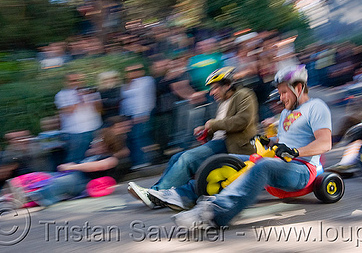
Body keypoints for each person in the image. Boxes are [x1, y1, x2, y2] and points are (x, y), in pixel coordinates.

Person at [169, 64, 332, 228]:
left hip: (302, 169)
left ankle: (215, 214)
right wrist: (269, 141)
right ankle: (184, 195)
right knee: (230, 161)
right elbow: (285, 140)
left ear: (298, 88)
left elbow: (325, 143)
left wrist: (296, 152)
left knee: (264, 165)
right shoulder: (285, 113)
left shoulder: (316, 107)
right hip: (281, 162)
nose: (281, 98)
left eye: (284, 93)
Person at [127, 67, 258, 210]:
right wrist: (206, 130)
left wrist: (212, 124)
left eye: (215, 88)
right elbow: (220, 127)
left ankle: (156, 194)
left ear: (227, 85)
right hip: (219, 142)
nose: (212, 92)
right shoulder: (223, 103)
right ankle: (158, 192)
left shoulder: (244, 95)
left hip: (233, 146)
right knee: (176, 158)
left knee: (187, 159)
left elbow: (242, 121)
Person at [13, 116, 131, 207]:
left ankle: (32, 197)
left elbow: (96, 167)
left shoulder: (111, 159)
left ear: (105, 144)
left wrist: (73, 167)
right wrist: (74, 165)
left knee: (60, 182)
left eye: (96, 140)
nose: (93, 142)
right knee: (47, 176)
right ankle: (22, 186)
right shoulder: (94, 155)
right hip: (75, 175)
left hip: (83, 182)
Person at [55, 73, 103, 163]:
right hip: (75, 132)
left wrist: (93, 99)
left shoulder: (91, 91)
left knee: (96, 156)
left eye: (79, 80)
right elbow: (67, 111)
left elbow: (100, 110)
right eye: (73, 81)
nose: (76, 83)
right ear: (65, 82)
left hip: (94, 128)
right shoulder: (61, 95)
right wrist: (79, 98)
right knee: (76, 158)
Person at [120, 64, 156, 168]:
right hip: (128, 115)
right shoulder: (125, 85)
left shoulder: (146, 81)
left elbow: (147, 98)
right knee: (132, 138)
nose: (133, 73)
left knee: (139, 137)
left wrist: (144, 112)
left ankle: (142, 161)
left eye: (136, 70)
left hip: (141, 113)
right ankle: (137, 161)